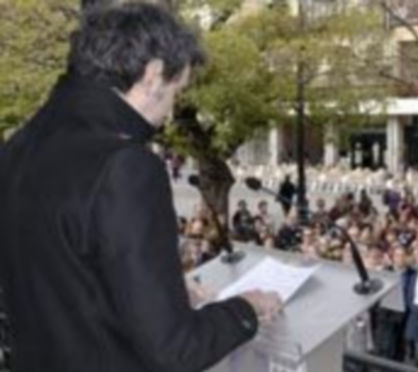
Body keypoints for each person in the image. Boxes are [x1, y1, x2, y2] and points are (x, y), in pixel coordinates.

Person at [0, 4, 282, 371]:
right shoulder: (125, 165)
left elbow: (60, 277)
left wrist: (159, 296)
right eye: (176, 90)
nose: (172, 110)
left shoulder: (18, 146)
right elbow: (176, 351)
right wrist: (245, 310)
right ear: (153, 74)